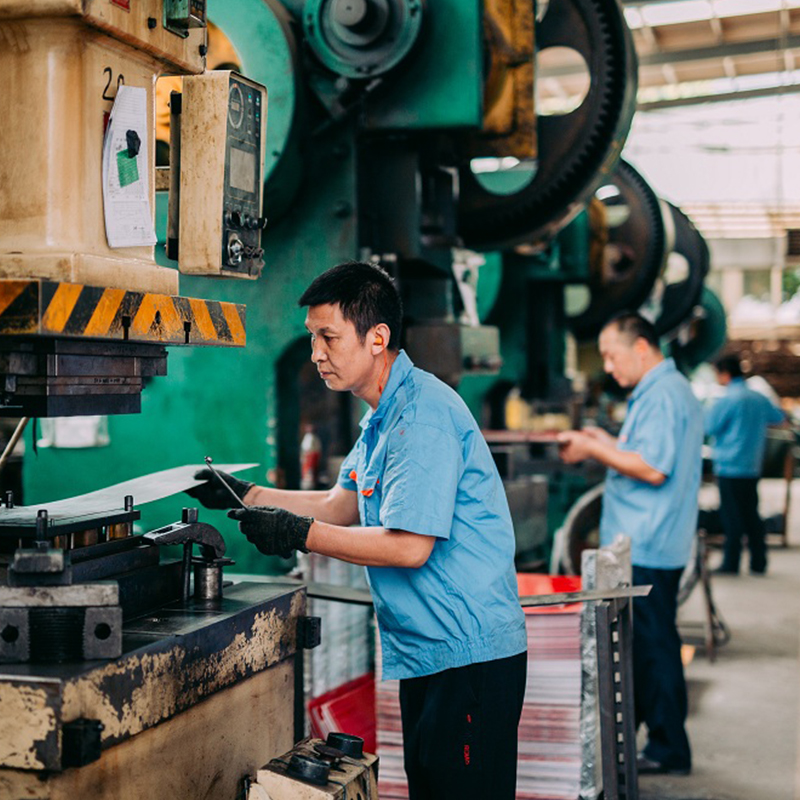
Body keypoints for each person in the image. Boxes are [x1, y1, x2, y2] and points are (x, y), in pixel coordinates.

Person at [187, 261, 528, 800]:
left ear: (377, 338)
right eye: (312, 338)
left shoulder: (421, 418)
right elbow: (340, 503)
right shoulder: (382, 416)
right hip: (436, 651)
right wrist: (244, 493)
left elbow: (410, 547)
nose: (317, 353)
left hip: (469, 658)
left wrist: (297, 534)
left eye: (329, 337)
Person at [557, 312, 702, 777]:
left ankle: (668, 748)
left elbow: (653, 467)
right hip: (654, 539)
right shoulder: (662, 390)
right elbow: (641, 452)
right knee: (648, 645)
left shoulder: (661, 394)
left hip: (651, 541)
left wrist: (594, 449)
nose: (609, 366)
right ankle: (646, 740)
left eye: (611, 355)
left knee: (656, 646)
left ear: (641, 347)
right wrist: (604, 439)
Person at [705, 354, 785, 575]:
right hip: (751, 466)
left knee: (731, 517)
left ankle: (731, 563)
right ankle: (758, 562)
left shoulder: (727, 399)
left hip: (729, 466)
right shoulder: (758, 397)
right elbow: (778, 416)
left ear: (724, 374)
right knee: (751, 514)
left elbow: (708, 426)